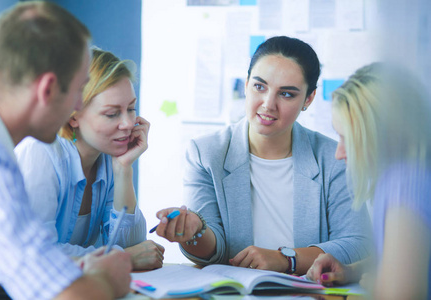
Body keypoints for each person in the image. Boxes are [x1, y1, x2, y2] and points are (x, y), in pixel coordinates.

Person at [153, 36, 371, 275]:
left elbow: (357, 244)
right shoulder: (206, 153)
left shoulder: (335, 156)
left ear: (308, 99)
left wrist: (286, 259)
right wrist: (196, 230)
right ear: (246, 84)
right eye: (259, 86)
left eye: (286, 94)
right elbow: (213, 252)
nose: (268, 104)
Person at [0, 2, 132, 299]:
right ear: (48, 89)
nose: (78, 106)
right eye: (78, 90)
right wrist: (105, 280)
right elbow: (64, 296)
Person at [14, 48, 165, 271]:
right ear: (73, 116)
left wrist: (124, 169)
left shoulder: (106, 158)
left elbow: (132, 246)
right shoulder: (40, 153)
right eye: (112, 114)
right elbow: (37, 255)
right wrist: (123, 258)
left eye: (131, 109)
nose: (128, 123)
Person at [306, 63, 431, 299]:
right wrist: (352, 270)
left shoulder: (405, 184)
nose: (339, 153)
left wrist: (379, 284)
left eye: (347, 139)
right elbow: (404, 256)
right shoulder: (396, 177)